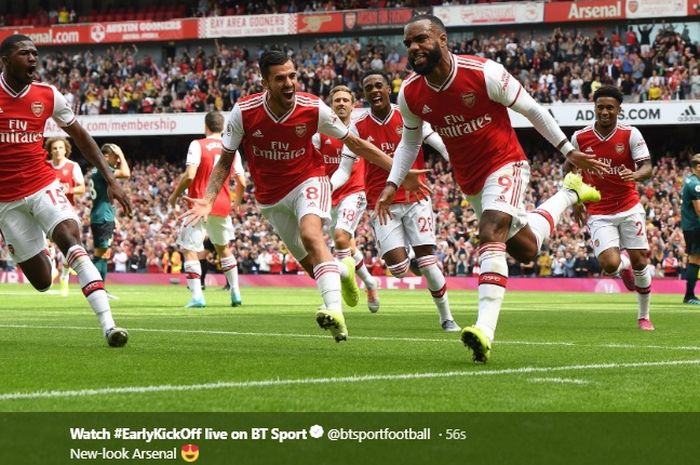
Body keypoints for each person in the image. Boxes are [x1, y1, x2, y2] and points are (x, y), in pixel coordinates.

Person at [376, 15, 606, 362]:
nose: (414, 48)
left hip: (506, 163)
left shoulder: (485, 72)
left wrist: (568, 150)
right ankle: (570, 193)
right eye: (408, 43)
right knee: (526, 248)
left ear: (442, 38)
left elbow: (532, 109)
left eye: (421, 39)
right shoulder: (410, 93)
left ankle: (483, 330)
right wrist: (392, 183)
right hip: (469, 180)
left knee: (490, 232)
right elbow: (409, 143)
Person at [182, 50, 426, 343]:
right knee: (311, 266)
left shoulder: (313, 107)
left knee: (313, 235)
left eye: (292, 76)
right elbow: (226, 159)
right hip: (270, 198)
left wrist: (398, 171)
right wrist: (209, 198)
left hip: (308, 179)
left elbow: (355, 143)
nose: (289, 84)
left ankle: (335, 312)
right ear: (264, 83)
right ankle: (344, 273)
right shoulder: (244, 112)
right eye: (280, 78)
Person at [0, 34, 130, 346]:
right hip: (6, 201)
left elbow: (82, 136)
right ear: (4, 61)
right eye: (24, 53)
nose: (33, 58)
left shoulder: (48, 95)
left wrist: (111, 179)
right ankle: (36, 245)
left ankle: (109, 326)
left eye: (35, 53)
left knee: (70, 238)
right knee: (43, 281)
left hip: (42, 183)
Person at [333, 70, 459, 331]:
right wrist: (328, 187)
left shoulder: (407, 114)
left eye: (379, 85)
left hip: (416, 197)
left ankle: (447, 317)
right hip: (382, 204)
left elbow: (434, 139)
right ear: (364, 94)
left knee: (428, 260)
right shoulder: (357, 126)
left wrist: (454, 160)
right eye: (369, 87)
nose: (375, 90)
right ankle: (411, 258)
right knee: (399, 268)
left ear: (388, 89)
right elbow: (345, 170)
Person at [569, 85, 654, 330]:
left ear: (619, 109)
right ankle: (622, 265)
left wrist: (636, 175)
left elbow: (647, 167)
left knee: (640, 262)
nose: (605, 112)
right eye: (600, 107)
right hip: (599, 210)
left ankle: (643, 316)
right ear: (594, 109)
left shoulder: (631, 135)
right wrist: (576, 200)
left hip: (629, 206)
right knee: (609, 265)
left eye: (610, 108)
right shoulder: (580, 137)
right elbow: (570, 170)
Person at [312, 85, 380, 313]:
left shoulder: (359, 129)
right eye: (337, 100)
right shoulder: (321, 132)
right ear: (331, 105)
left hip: (355, 191)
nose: (341, 103)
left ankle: (337, 297)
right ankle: (370, 282)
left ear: (353, 105)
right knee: (347, 245)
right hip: (329, 195)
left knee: (340, 237)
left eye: (345, 100)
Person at [169, 111, 247, 308]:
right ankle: (235, 293)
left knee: (190, 250)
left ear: (206, 127)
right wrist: (236, 202)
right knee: (223, 248)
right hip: (221, 204)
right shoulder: (231, 149)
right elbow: (242, 182)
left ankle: (197, 297)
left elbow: (189, 175)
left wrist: (174, 194)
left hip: (199, 203)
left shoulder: (197, 145)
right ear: (222, 128)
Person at [89, 142, 130, 299]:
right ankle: (93, 286)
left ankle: (100, 289)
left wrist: (113, 217)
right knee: (101, 253)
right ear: (105, 157)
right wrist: (121, 154)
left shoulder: (97, 171)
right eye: (113, 156)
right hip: (102, 217)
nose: (116, 160)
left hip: (104, 216)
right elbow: (126, 173)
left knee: (104, 253)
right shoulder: (103, 170)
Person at [47, 136, 85, 296]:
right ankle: (53, 269)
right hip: (47, 209)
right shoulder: (45, 166)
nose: (57, 151)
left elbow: (82, 188)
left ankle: (64, 274)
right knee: (47, 242)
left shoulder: (72, 166)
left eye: (60, 148)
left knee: (67, 246)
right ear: (50, 150)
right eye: (54, 148)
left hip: (66, 210)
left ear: (66, 149)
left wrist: (67, 190)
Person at [681, 154, 700, 305]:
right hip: (695, 226)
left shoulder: (691, 181)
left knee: (695, 259)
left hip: (691, 226)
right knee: (695, 258)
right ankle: (689, 296)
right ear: (698, 166)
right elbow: (699, 210)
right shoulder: (695, 184)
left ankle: (690, 295)